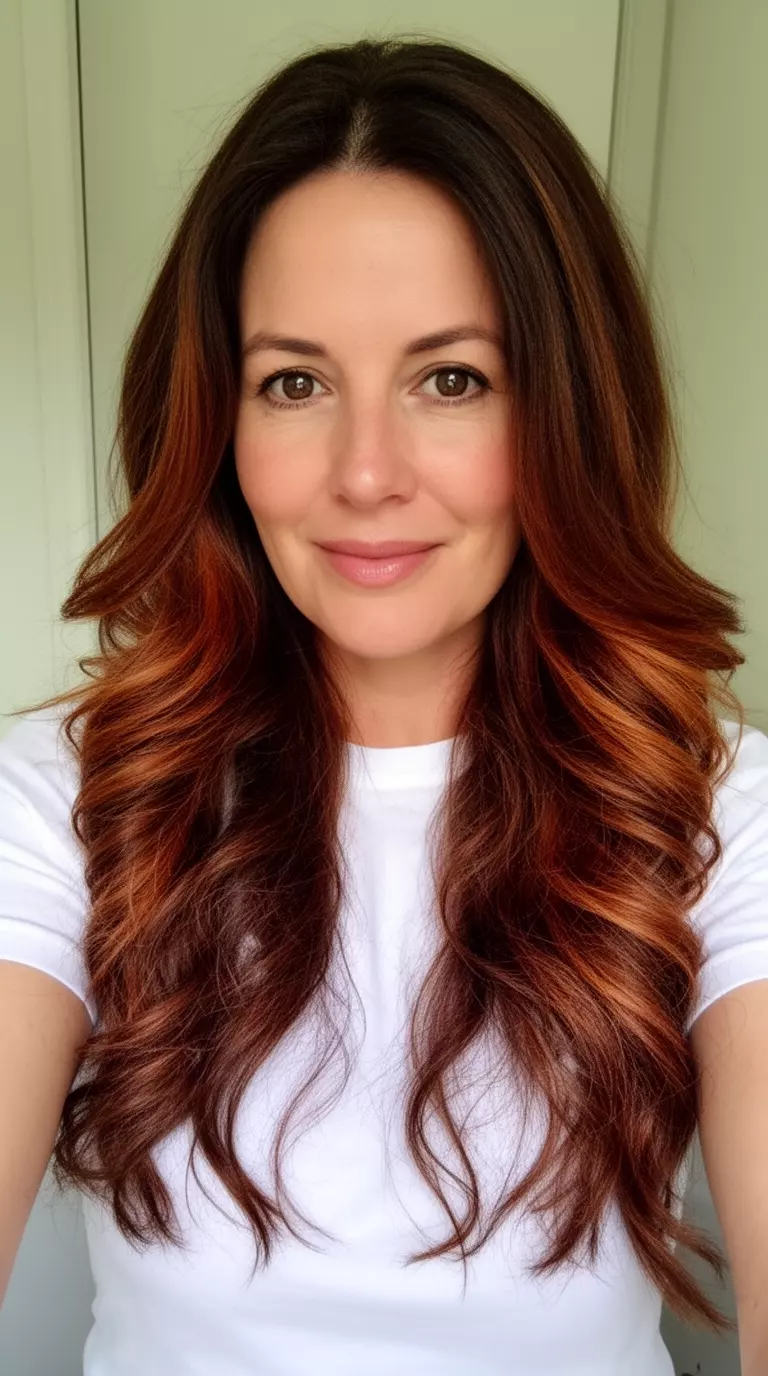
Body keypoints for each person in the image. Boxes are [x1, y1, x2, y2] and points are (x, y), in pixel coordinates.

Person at [1, 35, 767, 1376]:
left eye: (451, 379)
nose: (366, 474)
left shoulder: (716, 813)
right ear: (219, 425)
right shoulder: (66, 797)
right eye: (293, 382)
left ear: (564, 414)